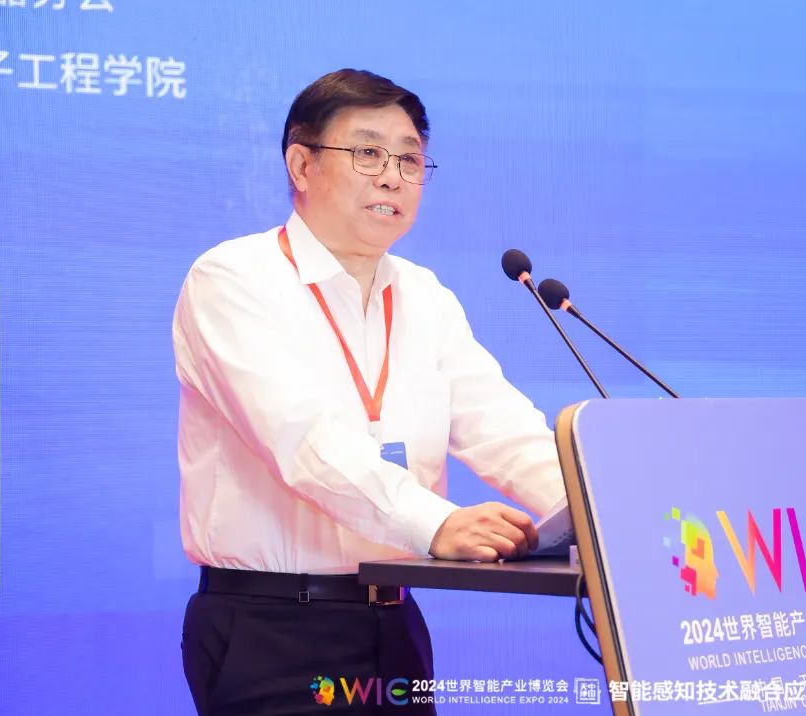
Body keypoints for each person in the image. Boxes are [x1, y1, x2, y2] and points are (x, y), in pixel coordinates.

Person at [173, 68, 566, 715]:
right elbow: (303, 442)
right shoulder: (234, 279)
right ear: (301, 164)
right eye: (368, 153)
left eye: (410, 159)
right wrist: (436, 522)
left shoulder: (424, 296)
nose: (392, 176)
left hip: (394, 620)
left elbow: (501, 428)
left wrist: (589, 509)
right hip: (273, 624)